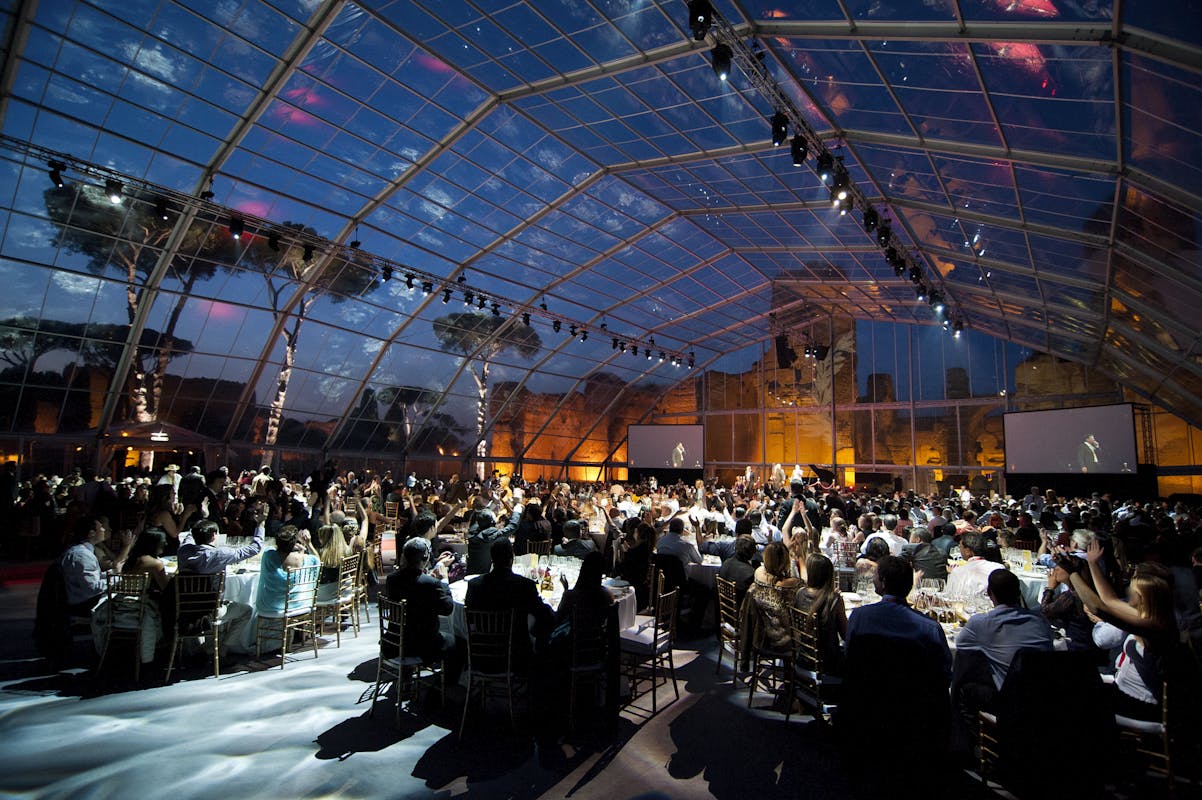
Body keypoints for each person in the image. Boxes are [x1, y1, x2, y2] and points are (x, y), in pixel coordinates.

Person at [1070, 540, 1180, 720]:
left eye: (1132, 588)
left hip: (1142, 706)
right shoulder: (1148, 616)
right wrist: (1092, 564)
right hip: (1126, 694)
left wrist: (1072, 573)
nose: (1128, 590)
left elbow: (1099, 608)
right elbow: (1109, 599)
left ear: (1143, 597)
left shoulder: (1154, 627)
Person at [463, 538, 554, 671]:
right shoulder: (525, 585)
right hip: (516, 653)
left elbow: (469, 617)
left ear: (492, 558)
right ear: (512, 558)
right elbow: (543, 614)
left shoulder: (475, 585)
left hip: (481, 650)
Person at [384, 537, 461, 679]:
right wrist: (443, 580)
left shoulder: (392, 579)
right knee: (456, 641)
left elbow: (412, 586)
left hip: (394, 643)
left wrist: (427, 576)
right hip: (423, 646)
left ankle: (407, 675)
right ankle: (447, 684)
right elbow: (447, 609)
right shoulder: (431, 584)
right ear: (425, 558)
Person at [60, 515, 134, 615]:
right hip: (84, 604)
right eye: (101, 528)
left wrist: (114, 572)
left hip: (86, 599)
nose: (104, 529)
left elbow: (93, 578)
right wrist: (116, 577)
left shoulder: (84, 551)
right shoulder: (82, 555)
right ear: (91, 533)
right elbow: (91, 588)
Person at [741, 541, 800, 653]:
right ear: (786, 559)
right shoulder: (792, 585)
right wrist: (800, 558)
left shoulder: (759, 576)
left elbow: (770, 568)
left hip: (760, 637)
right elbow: (805, 582)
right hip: (785, 641)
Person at [794, 552, 847, 674]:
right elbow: (845, 634)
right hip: (828, 663)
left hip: (802, 657)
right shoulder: (834, 600)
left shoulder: (800, 593)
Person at [254, 525, 320, 617]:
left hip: (268, 606)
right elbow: (318, 562)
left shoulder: (268, 555)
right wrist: (308, 544)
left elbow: (275, 551)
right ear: (294, 543)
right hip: (297, 605)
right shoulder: (307, 559)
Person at [945, 531, 1005, 599]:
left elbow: (950, 597)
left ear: (968, 551)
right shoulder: (999, 568)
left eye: (960, 547)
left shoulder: (958, 572)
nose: (960, 550)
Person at [466, 507, 518, 576]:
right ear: (492, 522)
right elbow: (512, 527)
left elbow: (481, 518)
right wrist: (517, 512)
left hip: (470, 573)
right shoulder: (490, 536)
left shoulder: (473, 532)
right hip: (483, 576)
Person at [718, 534, 757, 608]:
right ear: (752, 552)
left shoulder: (726, 563)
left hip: (724, 609)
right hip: (740, 613)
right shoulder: (749, 574)